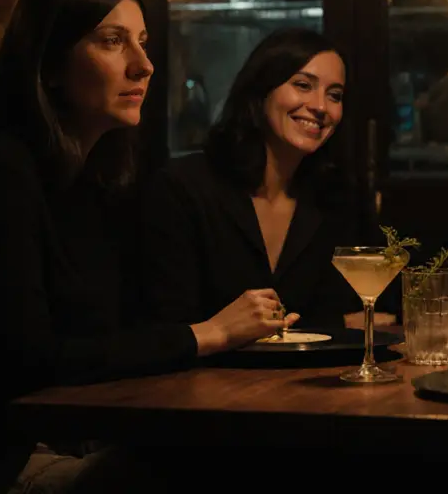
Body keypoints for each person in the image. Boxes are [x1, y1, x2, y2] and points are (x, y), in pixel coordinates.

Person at [0, 0, 289, 493]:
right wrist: (208, 334)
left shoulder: (94, 184)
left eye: (143, 44)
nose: (144, 65)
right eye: (112, 41)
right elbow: (26, 359)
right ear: (51, 65)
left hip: (76, 439)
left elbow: (124, 329)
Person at [144, 27, 390, 339]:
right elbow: (164, 324)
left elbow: (362, 311)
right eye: (302, 85)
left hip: (307, 381)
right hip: (199, 380)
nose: (320, 106)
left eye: (335, 95)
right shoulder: (184, 187)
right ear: (261, 90)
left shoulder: (336, 197)